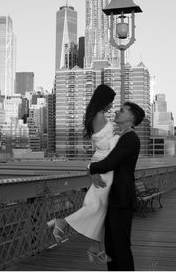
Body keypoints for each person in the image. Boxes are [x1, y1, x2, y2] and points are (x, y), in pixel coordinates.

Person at [47, 84, 119, 263]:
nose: (112, 105)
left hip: (103, 164)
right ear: (104, 100)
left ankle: (96, 247)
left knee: (100, 207)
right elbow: (106, 145)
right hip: (104, 167)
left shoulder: (96, 116)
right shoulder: (99, 117)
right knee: (97, 207)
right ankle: (62, 222)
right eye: (111, 101)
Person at [88, 101, 145, 271]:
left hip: (122, 200)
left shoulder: (130, 138)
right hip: (115, 199)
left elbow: (109, 163)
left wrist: (90, 168)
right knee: (112, 247)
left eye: (122, 111)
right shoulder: (122, 137)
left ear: (132, 117)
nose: (116, 113)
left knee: (120, 248)